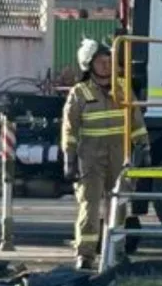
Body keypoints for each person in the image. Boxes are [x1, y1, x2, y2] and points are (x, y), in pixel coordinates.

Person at [61, 38, 150, 270]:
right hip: (89, 156)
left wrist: (143, 146)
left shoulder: (122, 87)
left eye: (109, 60)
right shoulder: (79, 93)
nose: (106, 64)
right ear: (88, 64)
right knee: (89, 207)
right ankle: (86, 255)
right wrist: (69, 159)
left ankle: (116, 252)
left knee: (118, 204)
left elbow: (136, 121)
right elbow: (70, 130)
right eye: (101, 61)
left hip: (119, 154)